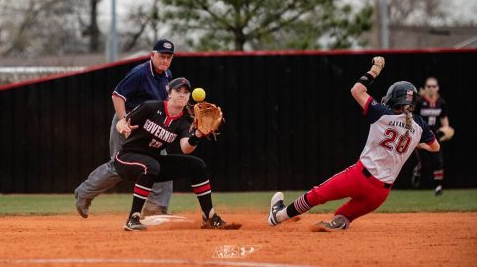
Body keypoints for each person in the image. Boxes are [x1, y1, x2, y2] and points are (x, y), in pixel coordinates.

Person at [267, 56, 440, 232]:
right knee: (343, 214)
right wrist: (414, 143)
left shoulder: (381, 113)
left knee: (317, 195)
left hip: (359, 177)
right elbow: (435, 147)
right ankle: (342, 220)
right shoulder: (420, 127)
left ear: (394, 98)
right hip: (380, 194)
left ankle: (278, 216)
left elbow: (357, 90)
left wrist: (375, 69)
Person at [115, 77, 238, 231]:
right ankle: (133, 219)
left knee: (197, 166)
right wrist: (122, 127)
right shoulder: (151, 107)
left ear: (189, 97)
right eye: (178, 91)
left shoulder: (184, 121)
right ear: (169, 93)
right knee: (151, 166)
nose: (182, 94)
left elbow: (185, 148)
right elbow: (122, 121)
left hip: (152, 161)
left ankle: (209, 216)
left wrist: (198, 134)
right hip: (126, 157)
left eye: (186, 92)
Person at [74, 39, 175, 218]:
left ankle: (156, 209)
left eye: (168, 57)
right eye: (161, 56)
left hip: (148, 127)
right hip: (127, 122)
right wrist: (123, 121)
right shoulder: (140, 73)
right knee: (119, 166)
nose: (165, 60)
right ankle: (84, 193)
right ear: (152, 55)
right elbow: (117, 96)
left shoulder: (168, 76)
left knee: (162, 161)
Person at [411, 77, 451, 196]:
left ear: (438, 88)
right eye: (429, 86)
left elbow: (443, 118)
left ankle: (438, 187)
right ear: (425, 87)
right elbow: (411, 116)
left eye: (434, 86)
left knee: (438, 161)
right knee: (423, 161)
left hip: (434, 135)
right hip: (420, 134)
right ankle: (418, 168)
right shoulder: (419, 101)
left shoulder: (441, 102)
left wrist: (446, 128)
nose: (431, 88)